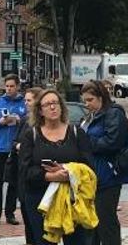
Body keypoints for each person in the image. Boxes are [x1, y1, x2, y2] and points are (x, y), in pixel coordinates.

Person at [18, 89, 94, 245]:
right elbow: (24, 170)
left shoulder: (76, 132)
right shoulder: (30, 135)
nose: (52, 107)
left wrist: (69, 171)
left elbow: (89, 166)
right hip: (40, 200)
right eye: (47, 104)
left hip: (72, 200)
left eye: (55, 103)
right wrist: (49, 176)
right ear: (40, 110)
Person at [79, 81, 128, 245]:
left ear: (101, 97)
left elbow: (113, 142)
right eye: (85, 101)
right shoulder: (91, 116)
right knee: (91, 225)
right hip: (91, 177)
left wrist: (86, 143)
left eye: (90, 100)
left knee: (106, 222)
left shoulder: (113, 113)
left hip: (108, 176)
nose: (87, 104)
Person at [0, 74, 26, 226]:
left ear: (17, 86)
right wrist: (1, 122)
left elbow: (29, 122)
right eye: (7, 86)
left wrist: (18, 120)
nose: (9, 89)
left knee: (13, 183)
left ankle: (10, 213)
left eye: (12, 86)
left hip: (16, 148)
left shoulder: (24, 103)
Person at [17, 87, 44, 245]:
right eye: (25, 100)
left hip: (40, 179)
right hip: (23, 176)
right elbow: (14, 142)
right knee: (29, 222)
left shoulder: (43, 127)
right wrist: (18, 146)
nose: (26, 103)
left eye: (29, 100)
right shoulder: (24, 121)